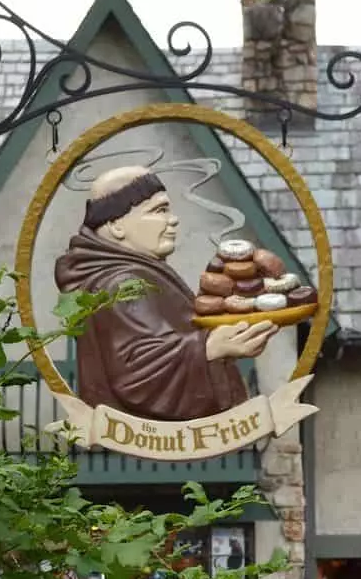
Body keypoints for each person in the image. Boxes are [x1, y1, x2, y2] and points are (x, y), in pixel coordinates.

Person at [54, 166, 278, 422]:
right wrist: (211, 347)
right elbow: (137, 374)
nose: (173, 220)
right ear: (117, 225)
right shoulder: (124, 285)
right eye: (159, 210)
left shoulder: (132, 273)